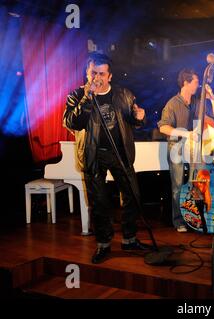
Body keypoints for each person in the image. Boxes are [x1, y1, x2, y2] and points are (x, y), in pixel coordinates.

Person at [64, 53, 150, 264]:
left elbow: (132, 119)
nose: (97, 78)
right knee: (99, 201)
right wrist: (87, 97)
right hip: (94, 154)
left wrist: (140, 118)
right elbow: (71, 123)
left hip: (120, 153)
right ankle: (103, 244)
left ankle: (129, 239)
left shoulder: (124, 94)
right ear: (87, 73)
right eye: (93, 73)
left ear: (109, 76)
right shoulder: (76, 96)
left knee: (132, 196)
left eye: (102, 73)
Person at [158, 68, 214, 232]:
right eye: (195, 82)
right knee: (178, 185)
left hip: (194, 148)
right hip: (177, 147)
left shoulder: (196, 102)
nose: (198, 85)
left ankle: (195, 216)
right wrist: (186, 133)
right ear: (186, 83)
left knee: (198, 183)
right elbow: (163, 127)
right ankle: (179, 221)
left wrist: (212, 97)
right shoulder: (172, 103)